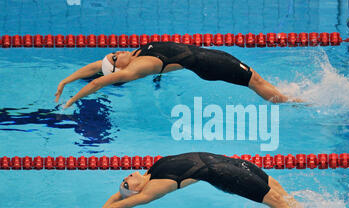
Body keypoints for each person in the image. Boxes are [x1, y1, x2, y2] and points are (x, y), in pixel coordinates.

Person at [79, 152, 321, 208]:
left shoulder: (151, 171)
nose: (126, 178)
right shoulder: (152, 189)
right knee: (275, 201)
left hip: (229, 163)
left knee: (279, 191)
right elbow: (120, 205)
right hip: (225, 175)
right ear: (138, 191)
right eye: (127, 184)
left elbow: (116, 198)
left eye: (124, 180)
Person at [55, 42, 302, 108]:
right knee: (256, 83)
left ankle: (290, 97)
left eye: (113, 53)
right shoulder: (136, 67)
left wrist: (65, 80)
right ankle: (300, 102)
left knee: (258, 82)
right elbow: (99, 80)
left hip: (209, 58)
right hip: (211, 64)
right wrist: (72, 99)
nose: (118, 52)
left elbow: (96, 67)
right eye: (115, 57)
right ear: (120, 68)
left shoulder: (136, 54)